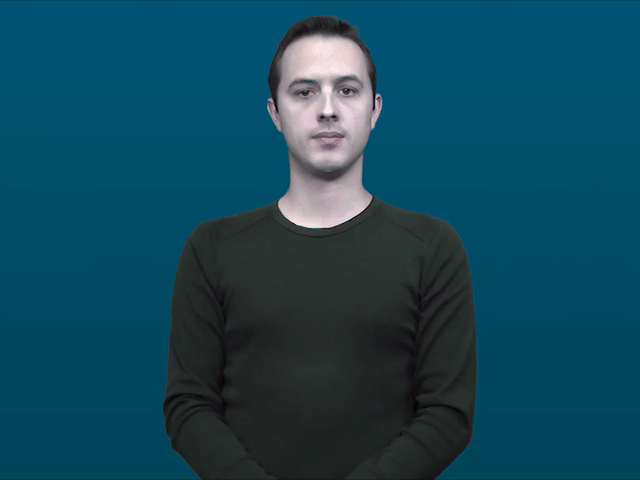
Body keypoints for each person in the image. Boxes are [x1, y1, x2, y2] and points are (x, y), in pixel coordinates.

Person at [163, 15, 477, 480]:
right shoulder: (211, 248)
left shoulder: (433, 247)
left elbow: (448, 414)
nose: (327, 109)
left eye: (347, 90)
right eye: (305, 91)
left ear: (375, 109)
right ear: (275, 112)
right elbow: (188, 405)